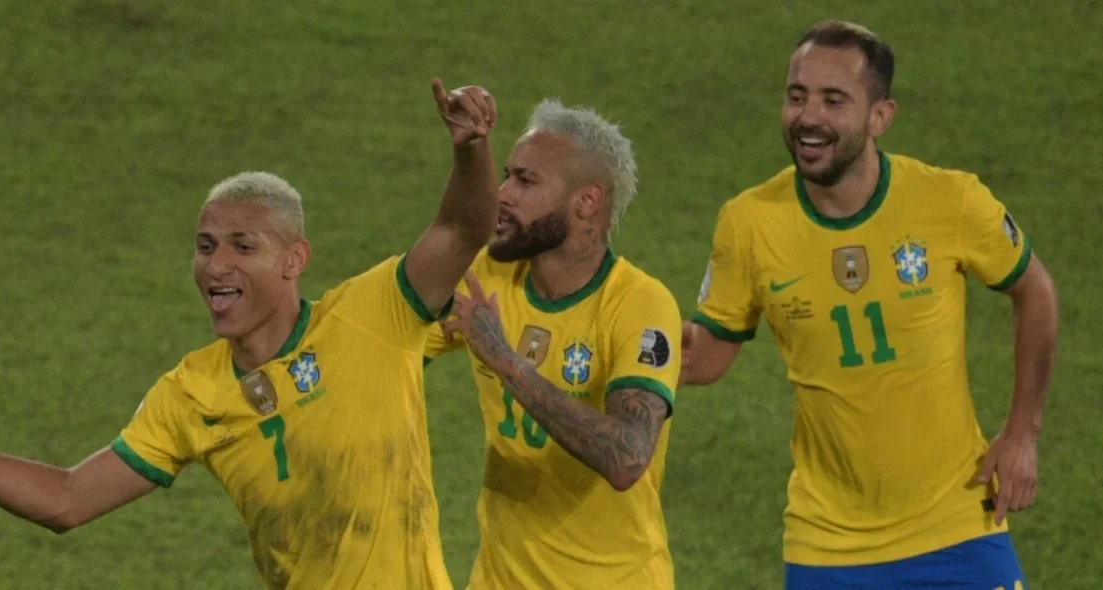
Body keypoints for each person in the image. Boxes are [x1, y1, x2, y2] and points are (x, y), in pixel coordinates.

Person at [0, 78, 501, 590]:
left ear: (294, 261)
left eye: (243, 245)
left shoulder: (372, 313)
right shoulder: (190, 395)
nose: (216, 265)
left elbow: (461, 230)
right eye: (205, 245)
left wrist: (471, 151)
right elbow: (65, 500)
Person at [681, 20, 1058, 589]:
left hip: (958, 525)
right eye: (796, 96)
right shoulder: (749, 222)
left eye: (834, 100)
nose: (809, 117)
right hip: (829, 546)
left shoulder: (949, 201)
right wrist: (642, 345)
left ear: (880, 116)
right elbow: (708, 355)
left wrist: (1022, 431)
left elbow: (1035, 290)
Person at [424, 99, 681, 589]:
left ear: (586, 202)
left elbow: (627, 458)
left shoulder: (640, 304)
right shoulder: (488, 275)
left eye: (525, 181)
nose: (502, 194)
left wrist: (505, 360)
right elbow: (393, 338)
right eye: (505, 176)